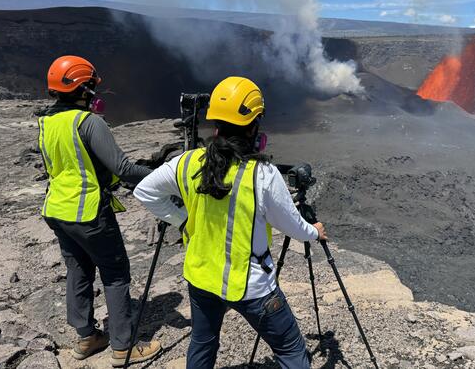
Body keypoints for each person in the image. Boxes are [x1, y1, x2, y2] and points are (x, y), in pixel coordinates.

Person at [134, 76, 328, 369]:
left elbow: (144, 190)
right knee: (290, 351)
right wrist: (314, 232)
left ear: (216, 124)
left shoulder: (187, 162)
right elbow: (292, 227)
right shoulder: (262, 174)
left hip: (201, 277)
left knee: (203, 341)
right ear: (254, 125)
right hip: (250, 285)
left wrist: (183, 221)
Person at [37, 55, 161, 367]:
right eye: (92, 86)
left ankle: (87, 336)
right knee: (116, 274)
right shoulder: (88, 122)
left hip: (57, 210)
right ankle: (123, 347)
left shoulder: (47, 122)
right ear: (85, 87)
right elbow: (121, 167)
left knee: (78, 269)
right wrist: (163, 176)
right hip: (89, 212)